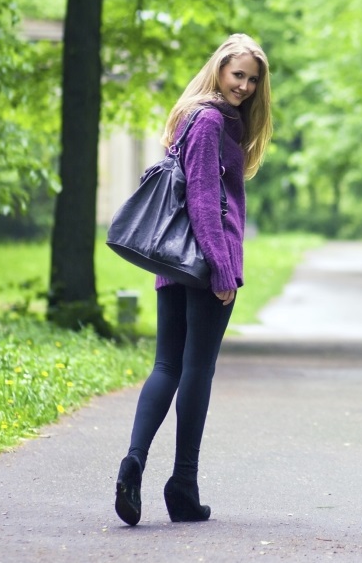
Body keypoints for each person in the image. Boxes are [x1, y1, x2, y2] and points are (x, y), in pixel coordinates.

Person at [114, 33, 273, 526]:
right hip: (205, 266)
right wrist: (224, 271)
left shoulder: (200, 118)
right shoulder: (208, 120)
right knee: (191, 371)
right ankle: (182, 482)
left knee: (167, 365)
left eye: (252, 79)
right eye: (237, 74)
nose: (244, 86)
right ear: (219, 69)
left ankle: (136, 463)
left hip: (176, 264)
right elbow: (204, 199)